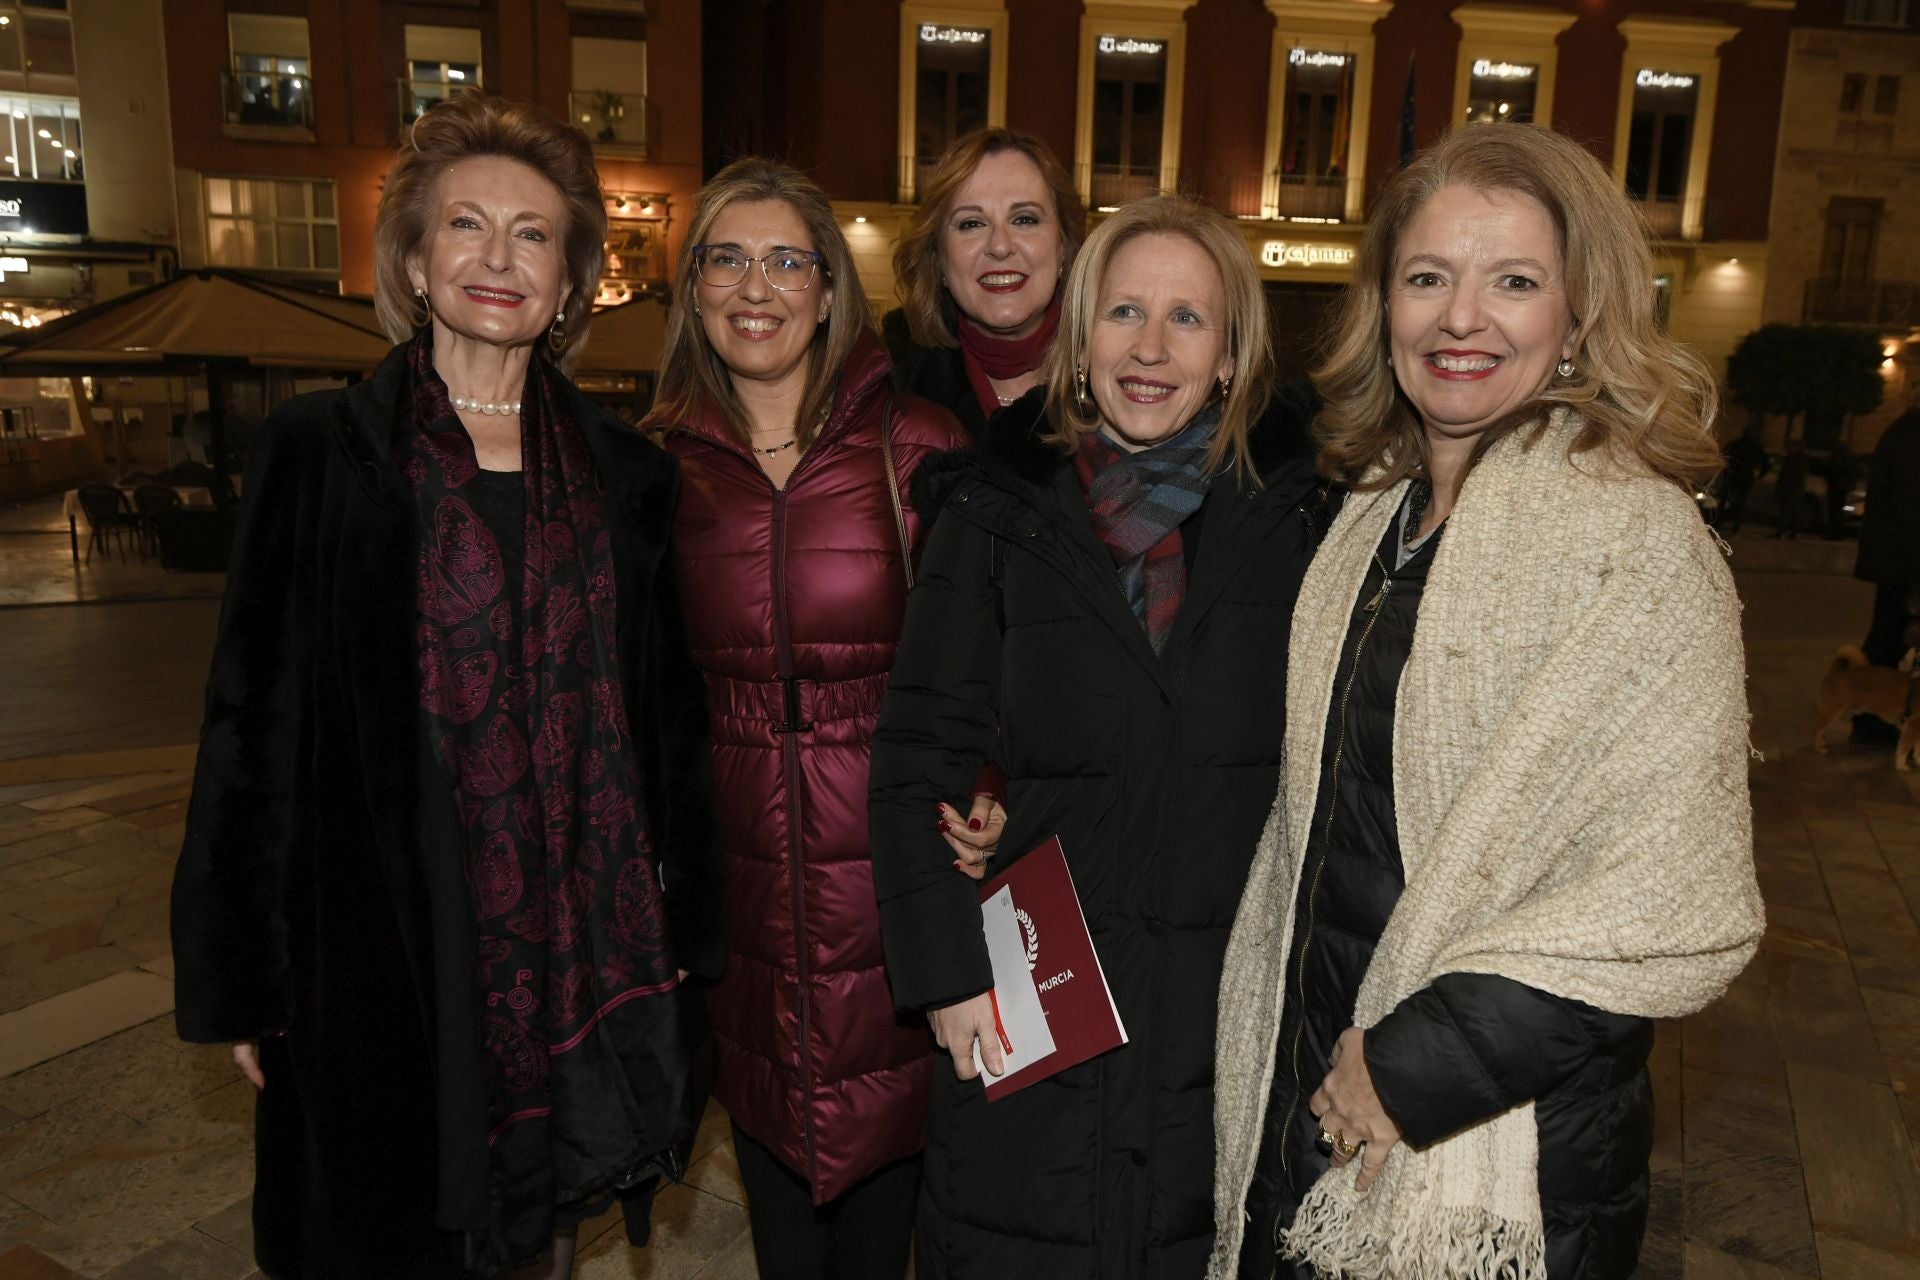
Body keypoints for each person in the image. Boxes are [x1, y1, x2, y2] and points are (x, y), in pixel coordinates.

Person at [169, 93, 725, 1280]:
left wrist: (689, 941)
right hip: (380, 934)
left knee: (541, 1231)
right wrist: (247, 978)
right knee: (384, 1227)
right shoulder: (318, 450)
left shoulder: (630, 476)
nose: (497, 257)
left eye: (534, 235)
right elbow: (247, 721)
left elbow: (666, 729)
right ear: (414, 260)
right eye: (465, 226)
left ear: (573, 282)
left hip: (574, 939)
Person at [1210, 123, 1764, 1280]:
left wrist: (1409, 1067)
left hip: (1492, 1141)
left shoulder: (1637, 549)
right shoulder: (1372, 515)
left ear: (1579, 313)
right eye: (1428, 279)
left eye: (1513, 281)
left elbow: (1669, 901)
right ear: (1386, 307)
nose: (1462, 318)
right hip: (1309, 1077)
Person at [869, 195, 1330, 1277]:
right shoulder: (995, 510)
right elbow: (915, 754)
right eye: (1124, 310)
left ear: (1231, 355)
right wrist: (943, 975)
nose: (1151, 346)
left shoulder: (1296, 524)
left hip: (1221, 1027)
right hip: (1031, 1021)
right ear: (1080, 340)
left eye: (1187, 318)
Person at [642, 158, 968, 1280]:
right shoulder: (653, 468)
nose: (757, 284)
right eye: (726, 257)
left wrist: (989, 801)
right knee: (782, 1213)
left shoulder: (917, 445)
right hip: (739, 904)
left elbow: (991, 679)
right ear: (692, 289)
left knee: (889, 1226)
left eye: (789, 259)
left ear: (831, 291)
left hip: (890, 888)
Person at [889, 128, 1086, 436]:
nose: (1000, 245)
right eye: (971, 223)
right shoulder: (890, 407)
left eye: (1025, 219)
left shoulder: (1121, 386)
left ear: (1064, 247)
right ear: (938, 258)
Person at [1853, 403, 1920, 741]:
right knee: (1887, 643)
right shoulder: (1911, 436)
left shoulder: (1903, 431)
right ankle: (1871, 721)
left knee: (1887, 640)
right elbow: (1911, 508)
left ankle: (1873, 719)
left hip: (1897, 561)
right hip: (1903, 564)